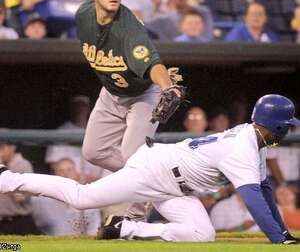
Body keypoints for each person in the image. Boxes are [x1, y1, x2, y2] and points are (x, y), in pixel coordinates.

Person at [1, 94, 300, 243]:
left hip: (177, 186)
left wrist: (283, 233)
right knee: (82, 197)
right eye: (286, 126)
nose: (288, 131)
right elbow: (254, 201)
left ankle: (125, 228)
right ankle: (8, 178)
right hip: (154, 170)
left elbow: (264, 192)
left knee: (202, 235)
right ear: (273, 125)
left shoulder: (254, 140)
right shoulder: (242, 147)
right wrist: (278, 240)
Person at [75, 0, 182, 221]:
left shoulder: (130, 29)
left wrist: (168, 86)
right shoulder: (82, 15)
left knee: (132, 155)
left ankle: (135, 221)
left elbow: (153, 63)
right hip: (111, 93)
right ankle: (153, 180)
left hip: (143, 95)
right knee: (92, 152)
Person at [31, 158, 101, 235]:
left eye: (69, 170)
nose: (65, 174)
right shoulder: (42, 201)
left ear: (77, 174)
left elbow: (94, 231)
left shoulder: (89, 201)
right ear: (55, 176)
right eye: (61, 171)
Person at [45, 95, 102, 182]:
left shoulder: (97, 130)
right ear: (71, 108)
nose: (80, 109)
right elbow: (53, 163)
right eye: (76, 106)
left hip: (98, 181)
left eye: (83, 106)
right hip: (69, 181)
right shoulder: (61, 131)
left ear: (88, 109)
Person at [146, 0, 213, 41]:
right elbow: (145, 26)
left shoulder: (202, 12)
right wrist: (156, 8)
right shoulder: (163, 18)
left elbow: (207, 36)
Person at [0, 142, 40, 235]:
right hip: (1, 223)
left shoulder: (23, 165)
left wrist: (2, 169)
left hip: (19, 222)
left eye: (2, 147)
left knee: (21, 249)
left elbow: (20, 198)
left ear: (12, 147)